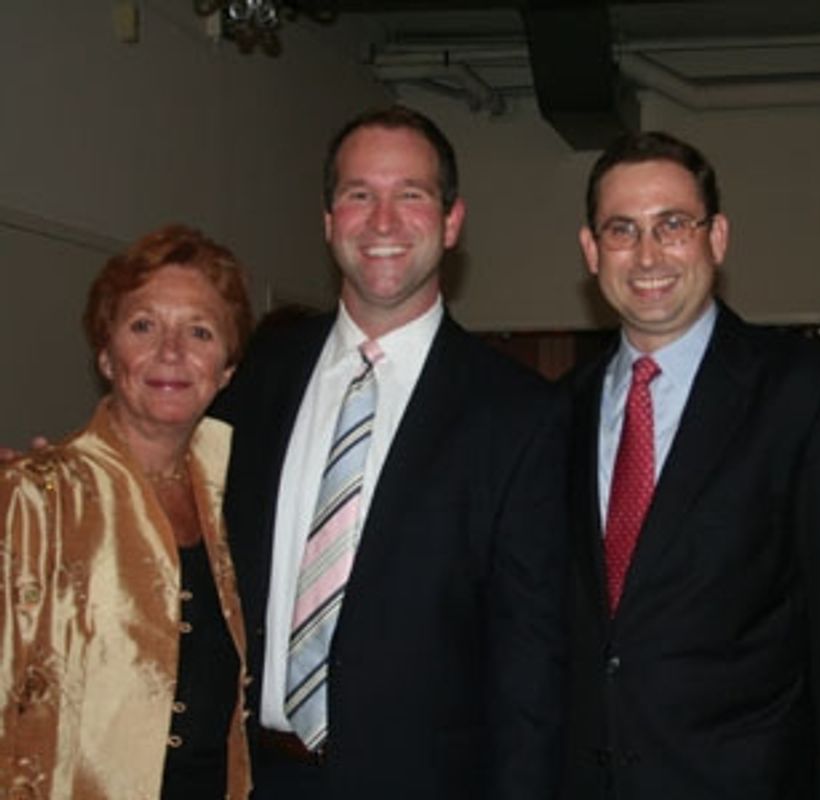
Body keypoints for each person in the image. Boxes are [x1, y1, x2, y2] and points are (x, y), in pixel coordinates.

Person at [214, 105, 568, 797]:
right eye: (358, 195)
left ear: (452, 221)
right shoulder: (257, 374)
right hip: (249, 778)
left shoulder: (522, 414)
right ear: (327, 222)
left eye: (410, 194)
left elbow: (533, 664)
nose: (382, 222)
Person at [561, 131, 820, 799]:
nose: (648, 254)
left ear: (717, 237)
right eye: (622, 229)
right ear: (592, 251)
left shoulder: (807, 392)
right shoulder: (555, 410)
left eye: (673, 225)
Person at [0, 225, 255, 798]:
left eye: (200, 331)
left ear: (228, 369)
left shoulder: (236, 503)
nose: (171, 351)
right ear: (107, 356)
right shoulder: (33, 500)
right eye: (144, 326)